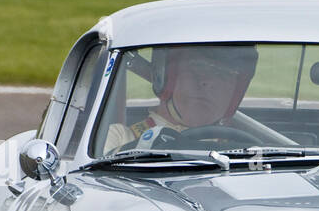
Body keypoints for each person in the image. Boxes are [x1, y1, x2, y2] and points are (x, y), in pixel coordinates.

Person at [107, 44, 258, 152]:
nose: (208, 82)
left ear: (235, 94)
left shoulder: (251, 150)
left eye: (223, 74)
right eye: (197, 68)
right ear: (166, 78)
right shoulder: (119, 138)